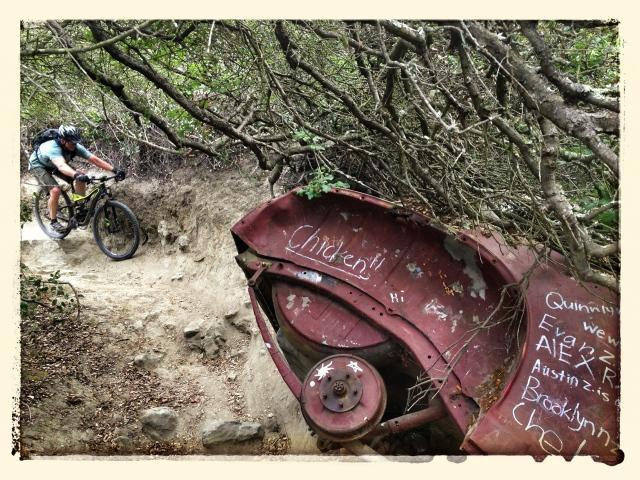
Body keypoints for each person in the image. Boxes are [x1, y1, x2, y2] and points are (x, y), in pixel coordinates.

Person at [28, 125, 125, 233]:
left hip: (55, 164)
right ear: (63, 140)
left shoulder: (75, 146)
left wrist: (115, 170)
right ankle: (53, 221)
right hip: (39, 165)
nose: (75, 145)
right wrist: (75, 175)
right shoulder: (52, 148)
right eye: (72, 142)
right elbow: (61, 166)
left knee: (81, 176)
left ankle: (80, 207)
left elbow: (94, 159)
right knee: (55, 190)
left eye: (76, 142)